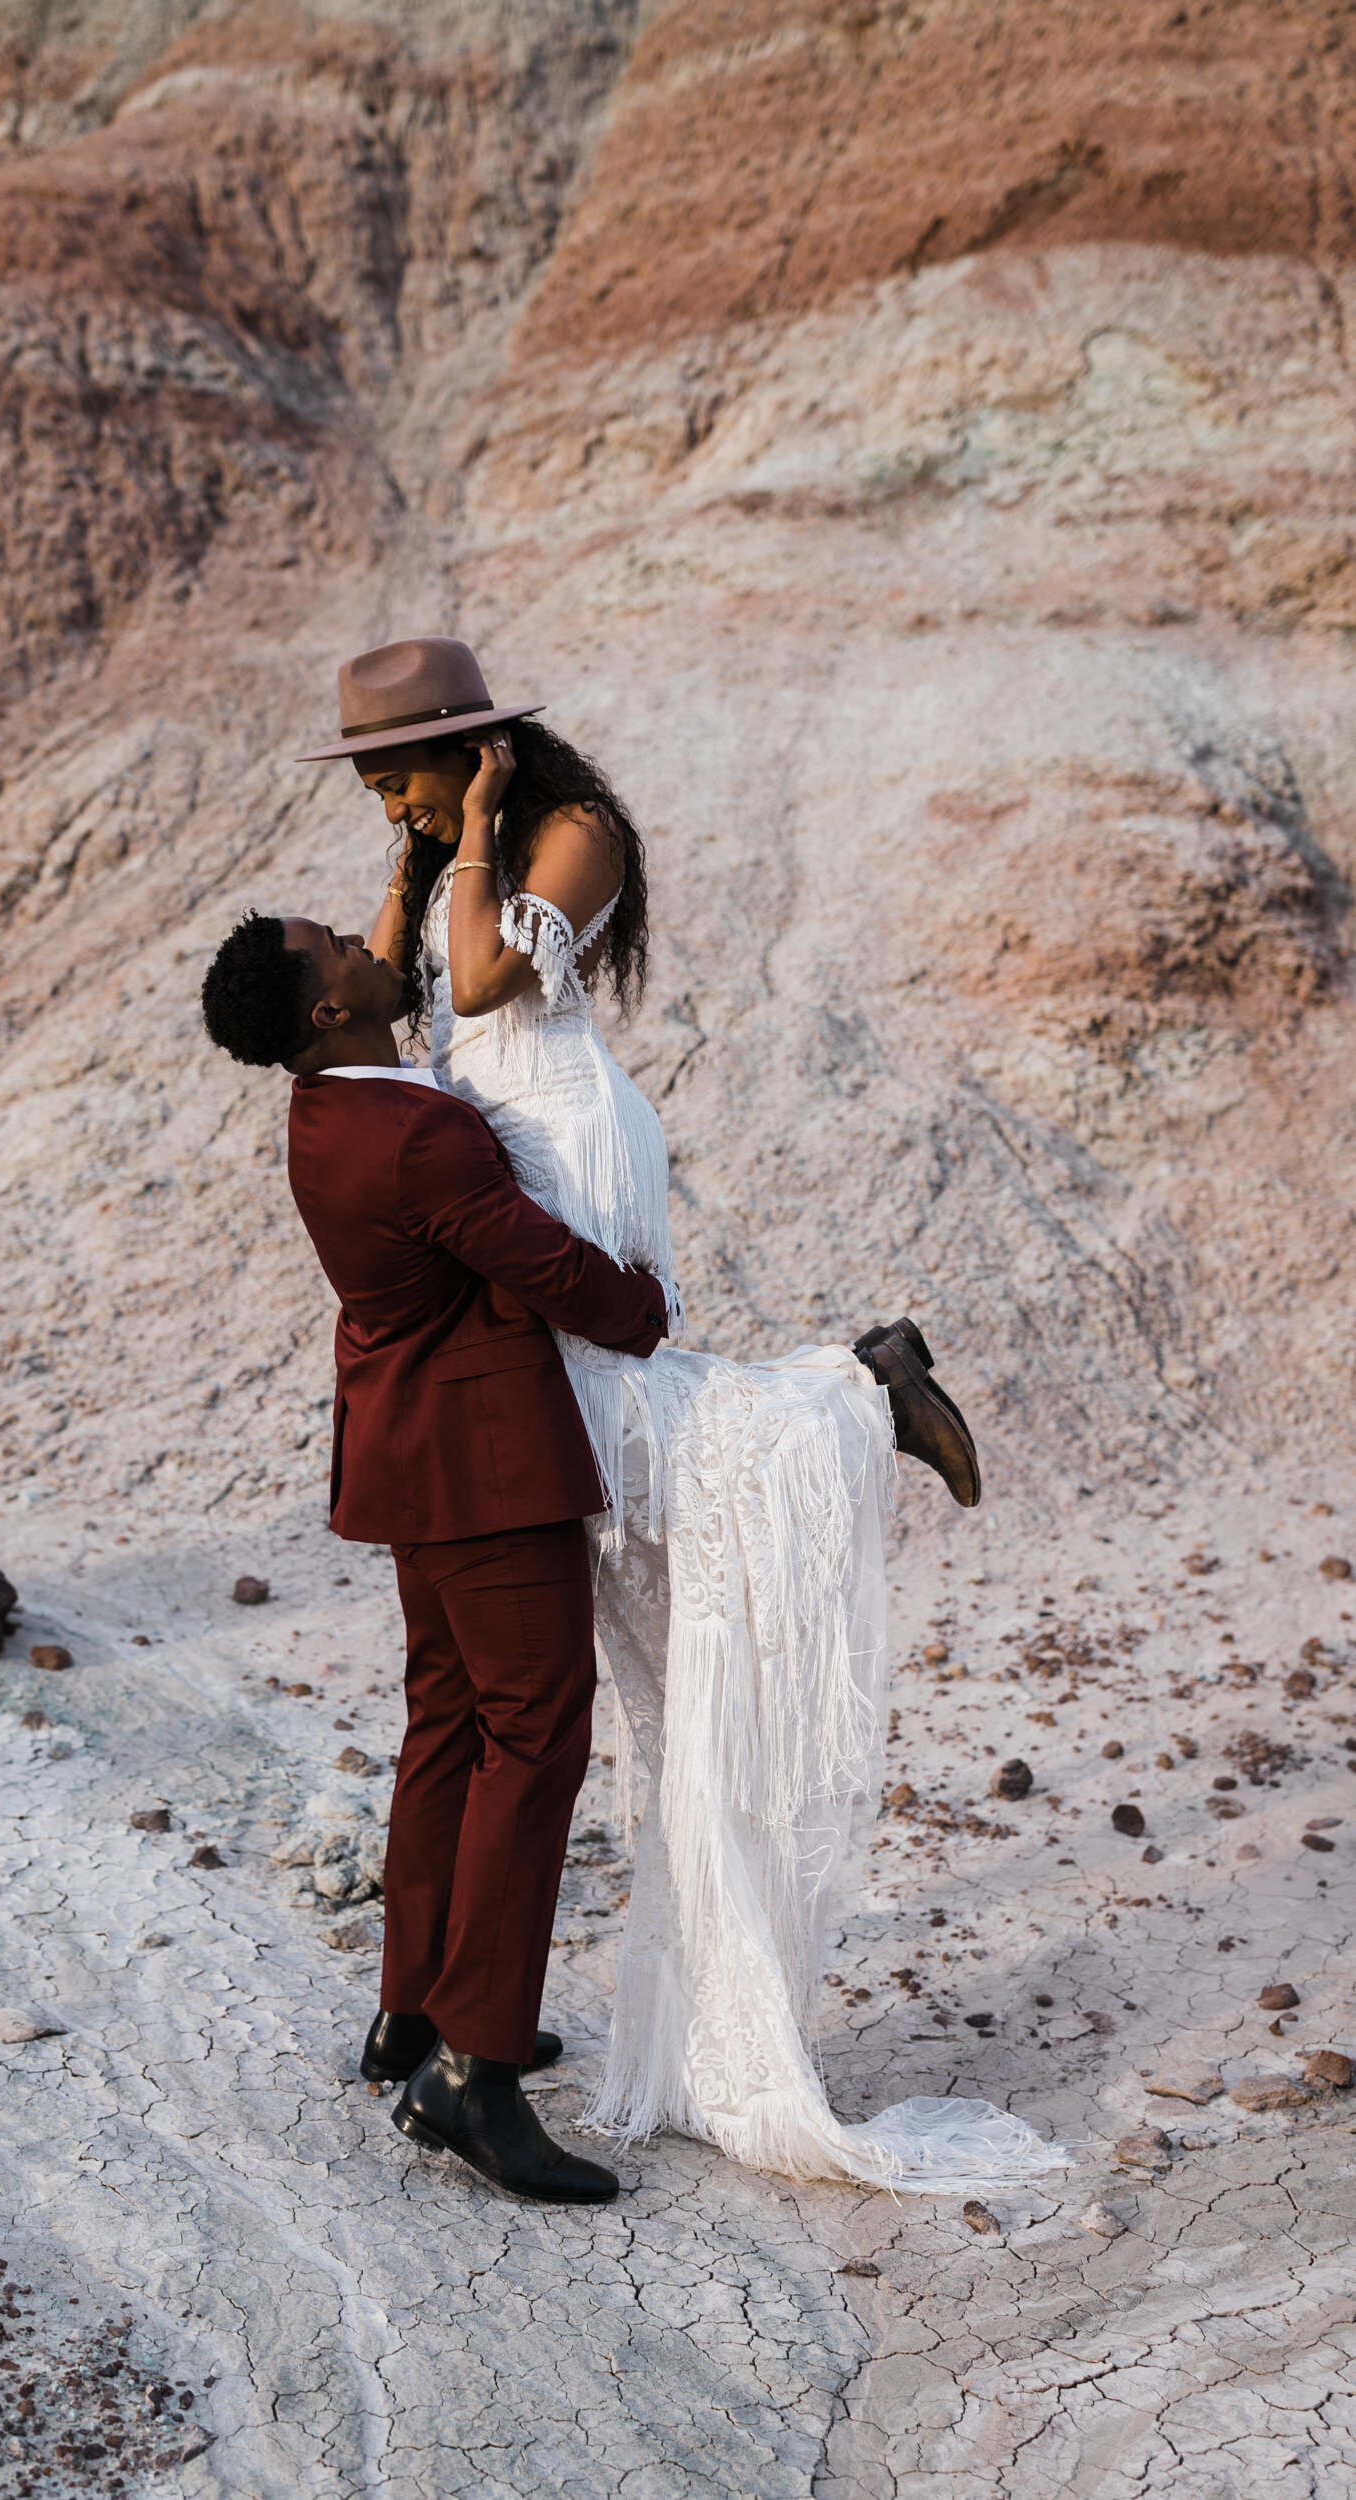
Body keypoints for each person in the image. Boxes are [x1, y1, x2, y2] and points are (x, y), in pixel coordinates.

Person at [294, 635, 1065, 2195]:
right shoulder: (438, 856)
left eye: (404, 767)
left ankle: (862, 1396)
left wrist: (490, 825)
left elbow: (497, 979)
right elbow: (390, 981)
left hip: (558, 1150)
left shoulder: (570, 836)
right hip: (482, 1156)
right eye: (370, 774)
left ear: (484, 745)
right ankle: (438, 2018)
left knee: (629, 1437)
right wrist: (414, 842)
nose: (390, 797)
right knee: (611, 1472)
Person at [201, 908, 670, 2205]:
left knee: (450, 1727)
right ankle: (473, 2071)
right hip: (485, 1465)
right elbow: (535, 1259)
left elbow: (393, 961)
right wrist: (645, 1311)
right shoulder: (419, 1132)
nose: (366, 941)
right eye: (335, 946)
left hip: (409, 1455)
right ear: (322, 1011)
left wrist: (442, 838)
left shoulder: (332, 1111)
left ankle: (412, 2009)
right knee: (536, 1737)